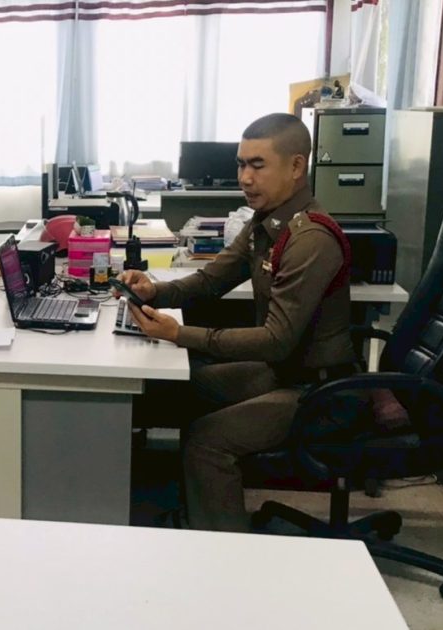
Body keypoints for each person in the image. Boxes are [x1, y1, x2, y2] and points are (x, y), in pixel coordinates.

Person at [117, 113, 357, 533]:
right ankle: (174, 511)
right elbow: (211, 281)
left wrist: (179, 334)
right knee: (176, 387)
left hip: (317, 391)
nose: (245, 178)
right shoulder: (265, 223)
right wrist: (155, 291)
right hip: (282, 374)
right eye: (241, 164)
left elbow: (276, 340)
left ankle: (224, 554)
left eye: (258, 165)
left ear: (296, 166)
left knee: (208, 441)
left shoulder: (310, 239)